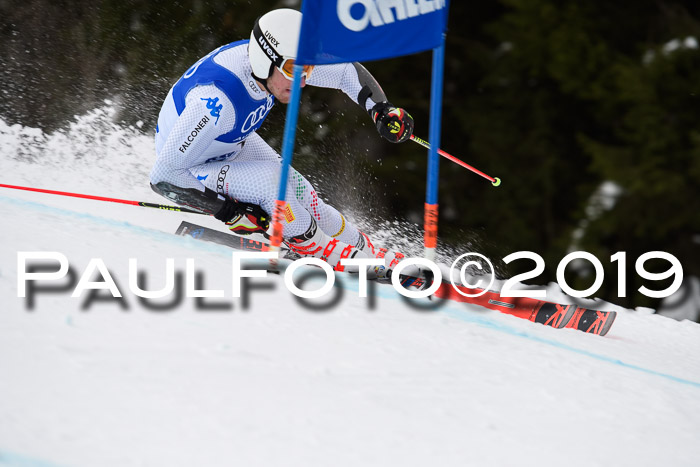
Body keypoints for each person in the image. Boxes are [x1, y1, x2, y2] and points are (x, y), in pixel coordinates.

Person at [150, 8, 414, 277]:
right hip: (192, 167)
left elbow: (345, 71)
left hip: (229, 144)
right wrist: (227, 211)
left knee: (302, 192)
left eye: (307, 68)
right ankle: (318, 249)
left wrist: (381, 109)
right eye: (293, 69)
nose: (301, 78)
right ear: (266, 59)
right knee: (273, 184)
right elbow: (164, 176)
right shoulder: (217, 101)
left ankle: (365, 249)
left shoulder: (274, 67)